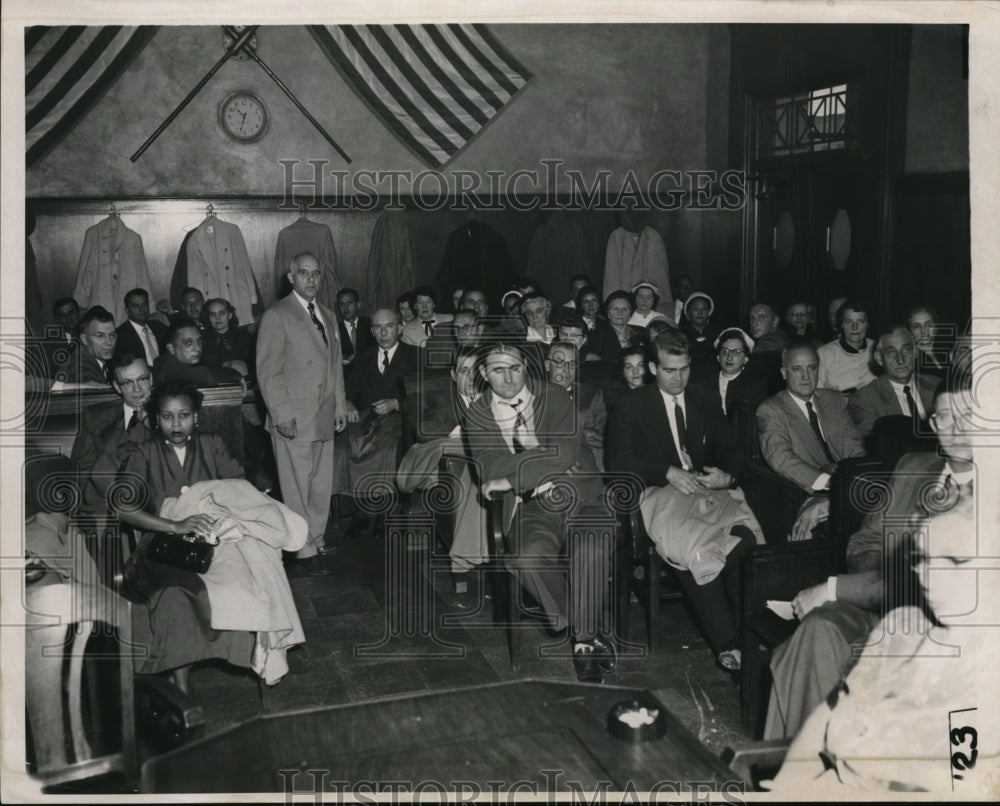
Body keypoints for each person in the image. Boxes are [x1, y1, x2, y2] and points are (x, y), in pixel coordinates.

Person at [764, 374, 976, 742]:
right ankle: (800, 769)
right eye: (944, 417)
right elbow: (864, 542)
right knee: (818, 630)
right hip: (879, 608)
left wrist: (837, 589)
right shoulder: (914, 468)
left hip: (946, 632)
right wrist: (876, 584)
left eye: (967, 416)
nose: (955, 429)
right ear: (932, 423)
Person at [767, 495, 996, 794]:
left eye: (954, 560)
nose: (928, 576)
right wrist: (785, 789)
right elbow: (829, 715)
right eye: (923, 558)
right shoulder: (899, 629)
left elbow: (960, 785)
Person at [115, 381, 305, 693]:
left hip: (216, 539)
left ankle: (259, 655)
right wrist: (176, 524)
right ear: (155, 419)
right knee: (174, 594)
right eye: (167, 417)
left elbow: (239, 490)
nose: (176, 424)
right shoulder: (143, 453)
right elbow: (123, 509)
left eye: (184, 415)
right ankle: (181, 685)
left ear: (196, 417)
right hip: (164, 545)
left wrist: (220, 517)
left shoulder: (211, 443)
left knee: (251, 583)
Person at [607, 330, 760, 670]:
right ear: (652, 367)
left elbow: (732, 447)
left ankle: (746, 637)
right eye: (669, 371)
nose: (678, 379)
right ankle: (732, 643)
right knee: (697, 551)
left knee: (746, 540)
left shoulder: (703, 398)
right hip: (659, 492)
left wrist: (729, 475)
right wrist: (667, 471)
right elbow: (619, 461)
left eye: (685, 369)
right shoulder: (631, 404)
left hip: (706, 490)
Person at [465, 342, 616, 682]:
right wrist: (542, 463)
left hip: (584, 495)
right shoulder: (477, 414)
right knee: (524, 556)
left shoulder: (556, 397)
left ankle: (582, 644)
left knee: (589, 546)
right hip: (534, 504)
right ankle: (584, 625)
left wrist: (511, 476)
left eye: (515, 367)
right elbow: (489, 469)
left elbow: (563, 453)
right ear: (486, 375)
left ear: (526, 367)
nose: (509, 377)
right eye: (499, 370)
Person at [256, 252, 348, 575]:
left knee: (321, 484)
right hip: (293, 417)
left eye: (316, 274)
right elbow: (269, 371)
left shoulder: (327, 314)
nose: (311, 279)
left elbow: (335, 365)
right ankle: (301, 547)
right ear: (290, 277)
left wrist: (339, 405)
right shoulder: (276, 315)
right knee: (295, 486)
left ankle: (317, 537)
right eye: (304, 273)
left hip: (322, 414)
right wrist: (281, 414)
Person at [396, 345, 488, 583]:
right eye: (464, 371)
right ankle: (465, 557)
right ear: (453, 375)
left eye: (476, 370)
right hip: (456, 468)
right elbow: (424, 430)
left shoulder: (492, 395)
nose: (470, 378)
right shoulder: (444, 398)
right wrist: (462, 431)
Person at [757, 345, 866, 494]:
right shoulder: (771, 410)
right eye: (797, 369)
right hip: (807, 491)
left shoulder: (834, 399)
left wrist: (862, 475)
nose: (806, 376)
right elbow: (781, 458)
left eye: (812, 368)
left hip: (850, 484)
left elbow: (853, 445)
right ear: (784, 373)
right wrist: (830, 482)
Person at [71, 353, 154, 513]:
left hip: (153, 507)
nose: (137, 389)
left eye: (142, 379)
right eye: (127, 382)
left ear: (151, 379)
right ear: (117, 386)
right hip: (103, 507)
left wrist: (152, 422)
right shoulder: (95, 416)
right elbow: (82, 468)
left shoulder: (169, 415)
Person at [847, 325, 935, 437]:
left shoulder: (937, 386)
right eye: (891, 353)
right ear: (879, 358)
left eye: (906, 350)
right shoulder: (864, 401)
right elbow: (879, 449)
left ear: (915, 352)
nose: (900, 359)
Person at [545, 341, 607, 470]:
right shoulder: (532, 396)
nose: (567, 370)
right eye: (560, 363)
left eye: (572, 364)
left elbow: (602, 438)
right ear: (547, 365)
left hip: (591, 464)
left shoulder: (593, 395)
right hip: (549, 464)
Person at [694, 327, 768, 417]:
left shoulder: (756, 384)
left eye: (736, 352)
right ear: (718, 357)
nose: (729, 357)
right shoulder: (703, 383)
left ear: (745, 359)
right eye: (725, 351)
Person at [153, 318, 244, 387]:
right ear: (171, 348)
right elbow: (208, 377)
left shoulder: (178, 363)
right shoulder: (168, 367)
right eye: (189, 343)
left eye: (199, 342)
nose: (197, 348)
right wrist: (235, 374)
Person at [817, 299, 876, 393]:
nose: (855, 327)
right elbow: (817, 392)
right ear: (841, 325)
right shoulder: (824, 353)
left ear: (868, 324)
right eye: (849, 322)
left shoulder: (877, 348)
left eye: (860, 321)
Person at [585, 290, 643, 363]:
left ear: (630, 314)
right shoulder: (596, 336)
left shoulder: (642, 333)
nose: (620, 313)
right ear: (608, 313)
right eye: (616, 309)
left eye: (624, 309)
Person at [201, 297, 254, 376]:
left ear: (230, 315)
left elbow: (252, 366)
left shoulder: (244, 337)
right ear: (208, 317)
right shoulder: (201, 338)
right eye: (213, 314)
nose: (217, 318)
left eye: (221, 313)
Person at [114, 288, 167, 367]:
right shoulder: (120, 335)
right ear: (127, 310)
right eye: (135, 306)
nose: (142, 310)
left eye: (144, 305)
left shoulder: (159, 327)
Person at [65, 306, 117, 384]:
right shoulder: (80, 366)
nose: (109, 342)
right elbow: (97, 391)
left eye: (112, 335)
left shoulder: (97, 357)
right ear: (84, 339)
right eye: (100, 336)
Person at [906, 303, 948, 376]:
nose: (923, 331)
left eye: (929, 325)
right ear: (909, 331)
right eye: (916, 326)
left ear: (936, 327)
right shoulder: (909, 360)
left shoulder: (946, 354)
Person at [681, 291, 719, 370]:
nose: (700, 312)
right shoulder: (680, 335)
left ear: (709, 312)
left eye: (704, 309)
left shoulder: (719, 333)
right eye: (695, 309)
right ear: (688, 313)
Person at [336, 287, 374, 366]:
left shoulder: (371, 324)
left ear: (358, 305)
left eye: (349, 303)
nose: (345, 308)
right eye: (342, 304)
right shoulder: (334, 328)